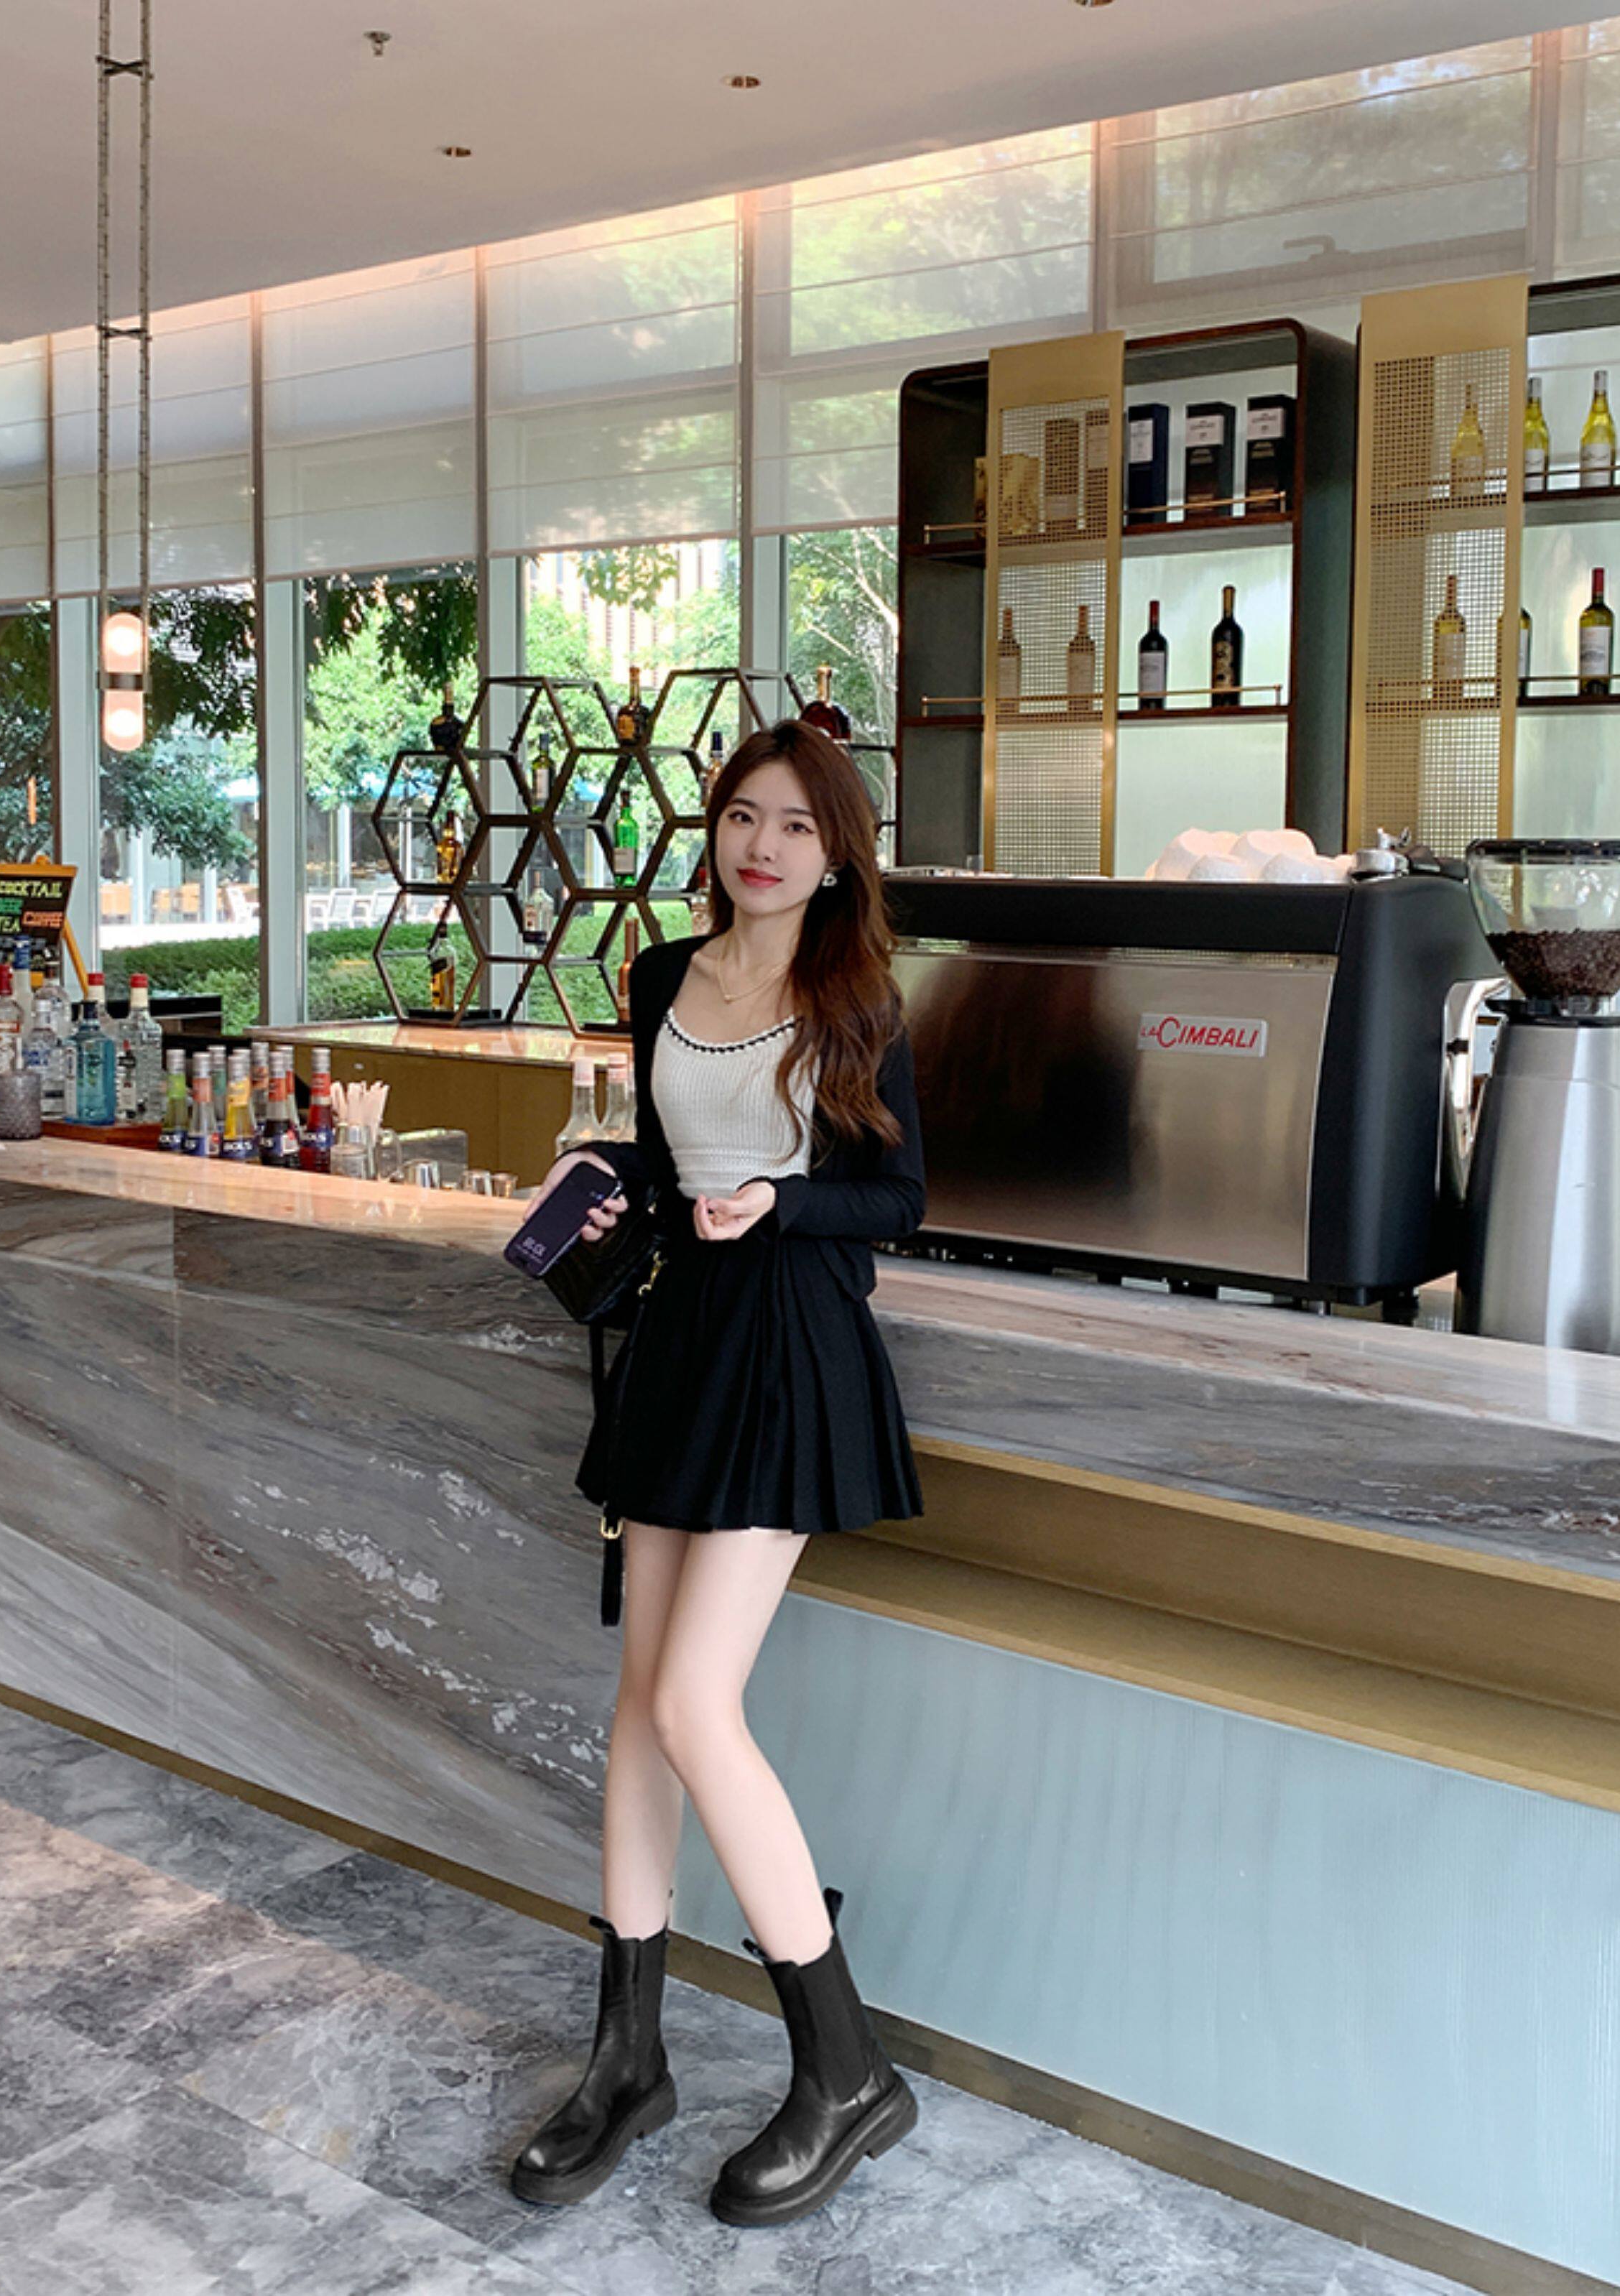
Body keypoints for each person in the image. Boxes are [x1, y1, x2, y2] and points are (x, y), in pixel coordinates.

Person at [510, 718, 926, 2228]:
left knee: (694, 1703)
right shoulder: (658, 977)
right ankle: (628, 2060)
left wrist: (782, 1197)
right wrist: (603, 1195)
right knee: (639, 1702)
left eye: (797, 826)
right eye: (746, 815)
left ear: (837, 855)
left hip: (792, 1344)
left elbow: (901, 1196)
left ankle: (848, 2069)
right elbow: (662, 1154)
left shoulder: (854, 997)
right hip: (684, 1337)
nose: (765, 845)